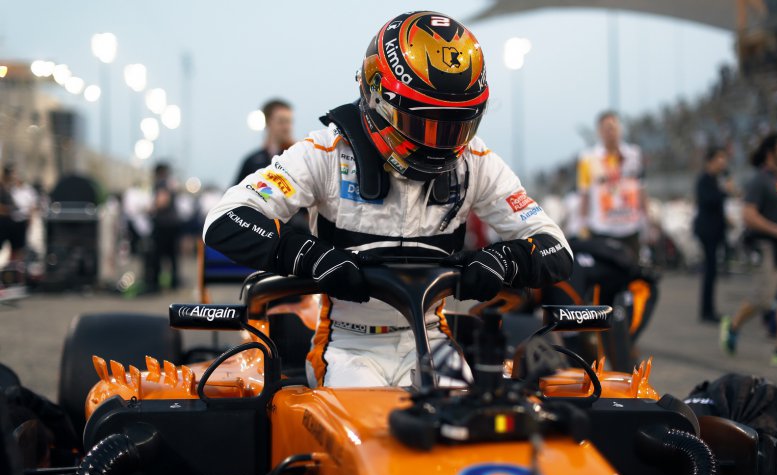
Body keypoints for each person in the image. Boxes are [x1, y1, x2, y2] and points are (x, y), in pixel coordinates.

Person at [204, 11, 573, 388]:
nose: (438, 142)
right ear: (377, 97)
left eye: (455, 126)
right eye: (423, 122)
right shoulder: (325, 152)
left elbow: (556, 248)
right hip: (347, 344)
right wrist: (309, 256)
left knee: (470, 414)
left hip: (433, 339)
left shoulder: (476, 162)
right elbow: (226, 219)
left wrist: (505, 259)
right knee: (367, 418)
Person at [721, 132, 777, 367]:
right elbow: (748, 215)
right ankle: (733, 325)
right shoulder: (759, 181)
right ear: (770, 153)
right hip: (768, 248)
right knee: (763, 299)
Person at [576, 110, 648, 259]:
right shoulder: (588, 159)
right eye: (606, 128)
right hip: (602, 228)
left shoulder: (634, 154)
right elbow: (584, 194)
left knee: (633, 269)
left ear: (620, 128)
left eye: (614, 127)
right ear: (599, 131)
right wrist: (582, 225)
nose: (611, 132)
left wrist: (647, 222)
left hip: (630, 227)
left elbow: (641, 189)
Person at [693, 147, 733, 323]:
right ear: (710, 161)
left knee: (713, 270)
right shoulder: (704, 180)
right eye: (719, 158)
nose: (723, 162)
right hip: (707, 231)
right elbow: (709, 201)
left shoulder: (717, 179)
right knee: (709, 271)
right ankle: (706, 311)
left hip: (716, 230)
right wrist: (725, 191)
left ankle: (709, 309)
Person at [231, 99, 294, 187]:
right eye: (281, 121)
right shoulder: (252, 161)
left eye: (289, 122)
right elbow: (234, 191)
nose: (287, 127)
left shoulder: (295, 157)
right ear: (267, 122)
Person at [147, 162, 181, 291]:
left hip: (163, 224)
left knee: (158, 254)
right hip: (173, 223)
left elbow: (162, 201)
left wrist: (150, 209)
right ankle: (174, 281)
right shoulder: (170, 183)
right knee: (172, 255)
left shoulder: (161, 183)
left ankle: (156, 282)